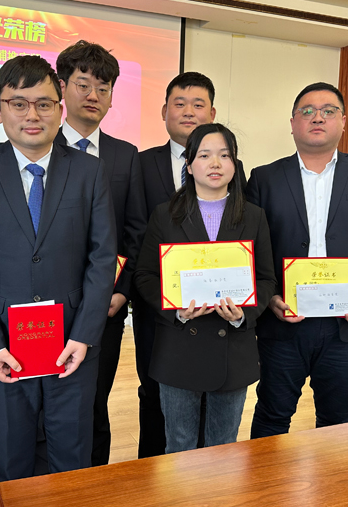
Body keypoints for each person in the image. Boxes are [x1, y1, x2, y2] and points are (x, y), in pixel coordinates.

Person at [0, 55, 117, 480]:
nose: (32, 115)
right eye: (18, 104)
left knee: (72, 460)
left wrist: (84, 335)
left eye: (43, 104)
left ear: (60, 108)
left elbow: (102, 258)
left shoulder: (90, 171)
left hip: (72, 346)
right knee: (11, 457)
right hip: (3, 344)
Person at [247, 82, 348, 438]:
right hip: (283, 320)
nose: (317, 117)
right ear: (292, 123)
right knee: (272, 414)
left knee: (337, 418)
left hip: (346, 325)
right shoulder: (264, 178)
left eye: (328, 111)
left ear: (343, 122)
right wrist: (269, 297)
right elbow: (252, 248)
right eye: (307, 111)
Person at [135, 123, 275, 453]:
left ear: (235, 164)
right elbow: (145, 275)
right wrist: (176, 310)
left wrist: (243, 315)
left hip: (233, 350)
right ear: (188, 165)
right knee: (179, 445)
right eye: (204, 155)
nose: (215, 163)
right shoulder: (165, 215)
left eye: (224, 156)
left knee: (224, 446)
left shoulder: (254, 216)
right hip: (178, 348)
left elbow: (266, 278)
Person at [134, 72, 246, 457]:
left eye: (198, 104)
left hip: (226, 331)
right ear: (164, 111)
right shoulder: (141, 168)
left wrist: (242, 307)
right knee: (163, 411)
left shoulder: (239, 185)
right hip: (167, 321)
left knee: (219, 433)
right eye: (179, 104)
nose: (188, 111)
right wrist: (167, 302)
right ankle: (160, 476)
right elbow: (136, 243)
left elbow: (251, 261)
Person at [53, 40, 147, 466]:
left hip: (104, 307)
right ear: (62, 87)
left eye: (103, 88)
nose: (93, 95)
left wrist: (122, 291)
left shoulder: (126, 156)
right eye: (83, 84)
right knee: (48, 401)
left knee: (94, 401)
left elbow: (135, 231)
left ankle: (95, 482)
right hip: (46, 305)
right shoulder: (38, 144)